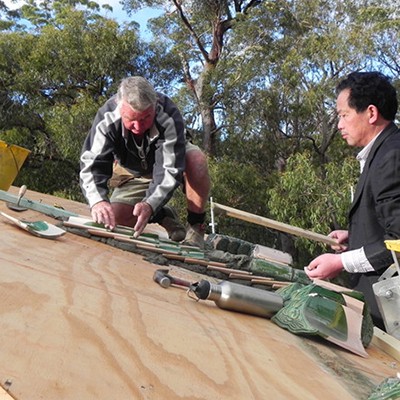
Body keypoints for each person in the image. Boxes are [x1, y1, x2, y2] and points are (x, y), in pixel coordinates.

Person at [305, 71, 400, 329]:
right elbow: (387, 224)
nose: (339, 125)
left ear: (371, 113)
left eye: (344, 115)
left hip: (390, 316)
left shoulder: (391, 157)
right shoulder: (382, 152)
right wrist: (356, 235)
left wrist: (341, 262)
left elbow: (398, 242)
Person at [80, 76, 210, 248]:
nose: (139, 127)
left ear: (155, 106)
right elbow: (91, 163)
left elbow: (169, 169)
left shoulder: (168, 114)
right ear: (120, 107)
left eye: (145, 119)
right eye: (131, 120)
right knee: (114, 219)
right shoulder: (107, 117)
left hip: (172, 160)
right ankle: (162, 214)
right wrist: (98, 201)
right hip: (133, 170)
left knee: (197, 161)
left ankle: (195, 225)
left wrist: (150, 203)